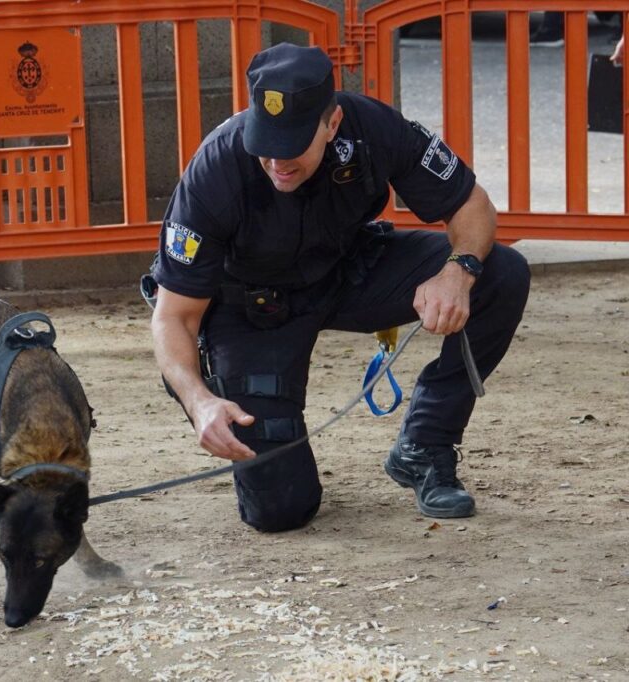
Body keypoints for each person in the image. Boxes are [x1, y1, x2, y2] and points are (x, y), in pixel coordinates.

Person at [146, 43, 530, 532]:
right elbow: (172, 316)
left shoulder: (373, 128)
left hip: (347, 270)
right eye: (266, 144)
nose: (277, 161)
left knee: (499, 272)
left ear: (332, 125)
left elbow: (472, 204)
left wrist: (457, 271)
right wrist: (198, 401)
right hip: (254, 311)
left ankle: (425, 444)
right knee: (281, 511)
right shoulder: (216, 171)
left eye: (292, 145)